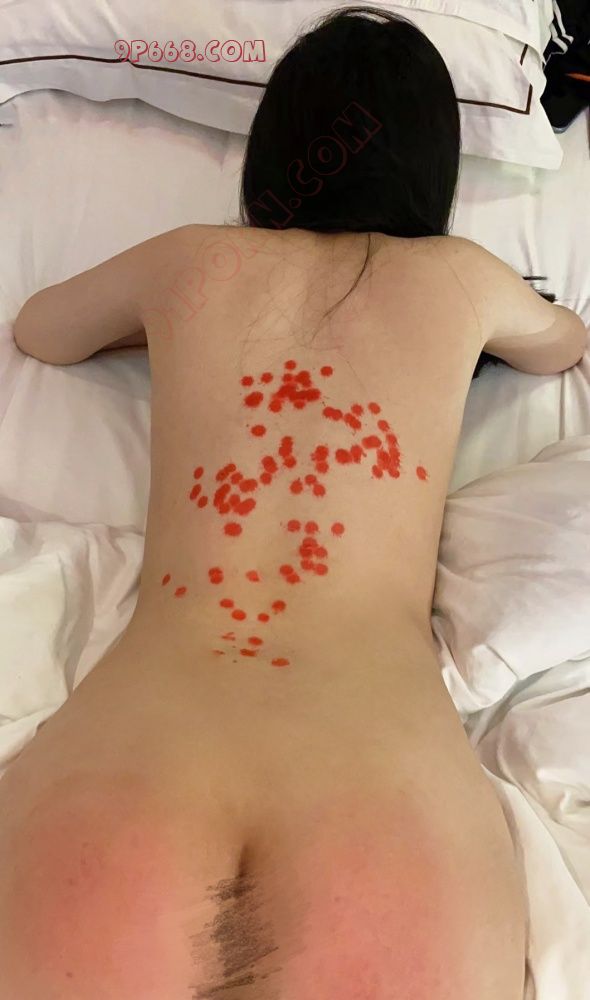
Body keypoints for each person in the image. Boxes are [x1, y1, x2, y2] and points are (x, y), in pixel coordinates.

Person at [2, 6, 586, 999]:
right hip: (386, 802)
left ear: (272, 151)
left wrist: (161, 328)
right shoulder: (461, 279)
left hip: (125, 775)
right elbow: (562, 344)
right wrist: (479, 333)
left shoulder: (191, 263)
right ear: (433, 170)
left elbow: (40, 331)